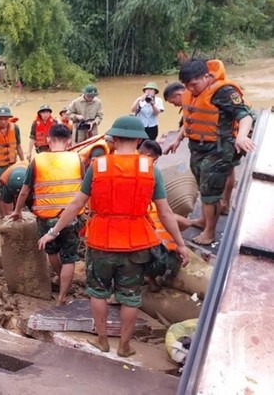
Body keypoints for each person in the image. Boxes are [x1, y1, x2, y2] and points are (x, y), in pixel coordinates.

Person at [38, 116, 190, 357]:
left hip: (101, 241)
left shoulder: (98, 166)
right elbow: (165, 211)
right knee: (130, 297)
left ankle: (102, 341)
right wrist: (180, 245)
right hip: (137, 243)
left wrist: (53, 231)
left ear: (114, 138)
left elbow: (77, 203)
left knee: (98, 292)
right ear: (140, 140)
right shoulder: (150, 169)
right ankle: (124, 346)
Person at [165, 59, 255, 245]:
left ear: (206, 76)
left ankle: (209, 233)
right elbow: (190, 118)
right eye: (187, 85)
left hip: (218, 150)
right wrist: (178, 139)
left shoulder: (223, 92)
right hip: (197, 148)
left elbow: (244, 116)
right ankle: (204, 220)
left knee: (210, 193)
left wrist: (242, 136)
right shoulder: (191, 92)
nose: (191, 88)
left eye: (194, 84)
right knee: (203, 187)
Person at [11, 124, 83, 305]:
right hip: (71, 216)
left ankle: (60, 279)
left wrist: (17, 210)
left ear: (49, 140)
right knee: (69, 257)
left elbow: (25, 190)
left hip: (46, 217)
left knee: (52, 251)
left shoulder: (38, 160)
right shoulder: (78, 159)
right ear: (69, 141)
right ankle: (62, 296)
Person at [138, 140, 188, 291]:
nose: (154, 164)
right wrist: (181, 244)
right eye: (154, 160)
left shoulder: (112, 165)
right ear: (148, 156)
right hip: (149, 246)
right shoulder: (151, 173)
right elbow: (166, 214)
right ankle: (149, 277)